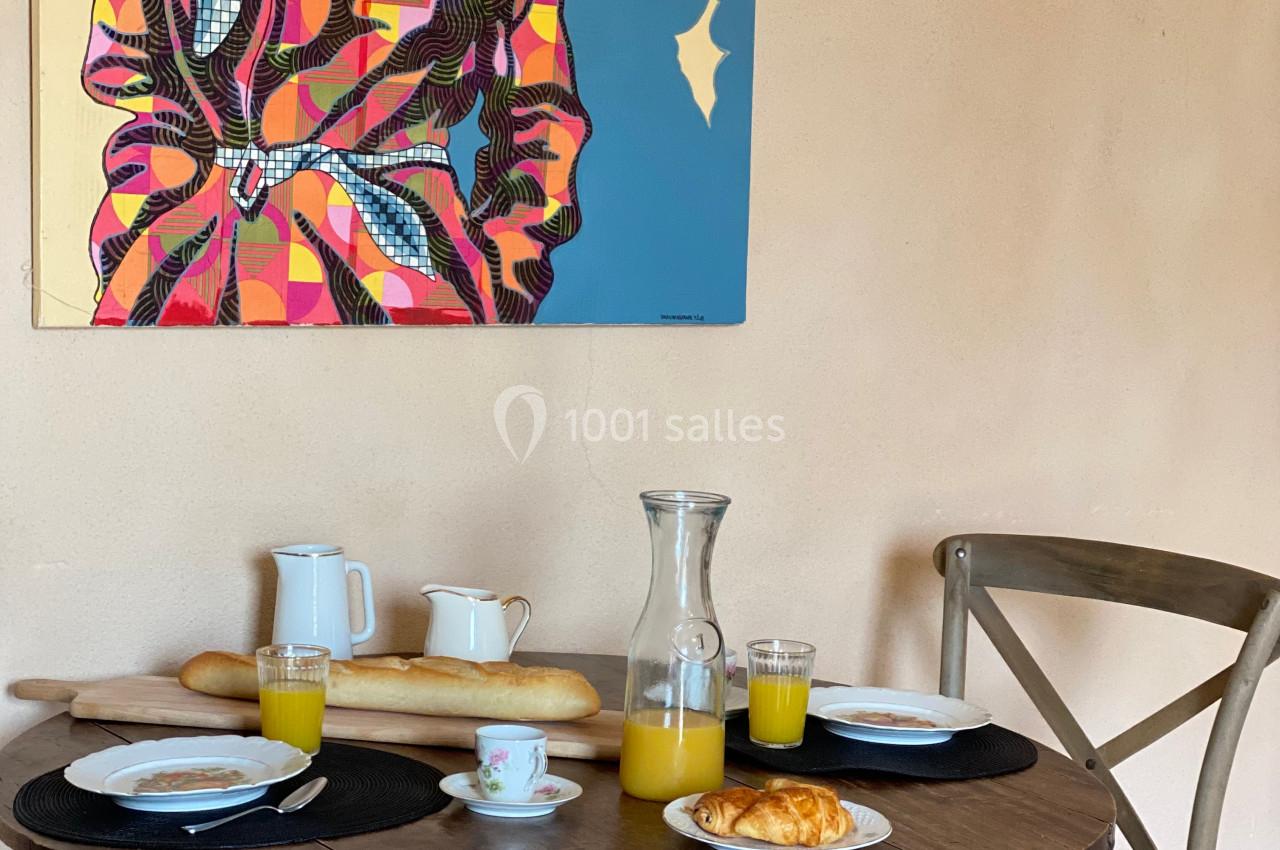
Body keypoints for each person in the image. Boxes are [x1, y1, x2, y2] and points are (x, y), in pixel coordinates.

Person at [83, 0, 592, 325]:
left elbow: (542, 118)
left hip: (404, 284)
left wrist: (505, 277)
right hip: (186, 283)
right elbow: (140, 91)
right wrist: (133, 255)